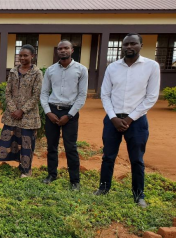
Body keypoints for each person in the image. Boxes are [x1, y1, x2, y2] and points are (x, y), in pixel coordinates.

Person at [95, 33, 160, 208]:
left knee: (137, 159)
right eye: (126, 44)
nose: (129, 47)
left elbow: (151, 96)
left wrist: (130, 118)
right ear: (122, 47)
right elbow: (105, 94)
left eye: (133, 43)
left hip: (137, 121)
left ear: (141, 45)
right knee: (108, 156)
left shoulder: (151, 66)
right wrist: (114, 117)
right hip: (112, 119)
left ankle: (139, 195)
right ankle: (104, 188)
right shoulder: (112, 68)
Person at [40, 40, 88, 190]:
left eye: (66, 48)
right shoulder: (51, 70)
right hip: (52, 111)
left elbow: (82, 95)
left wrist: (70, 115)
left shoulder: (81, 69)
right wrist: (48, 112)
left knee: (71, 147)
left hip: (70, 112)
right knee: (51, 146)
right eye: (60, 48)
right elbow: (44, 93)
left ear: (72, 50)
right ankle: (51, 174)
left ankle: (75, 180)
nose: (62, 51)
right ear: (57, 51)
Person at [0, 44, 43, 178]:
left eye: (25, 55)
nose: (22, 58)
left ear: (32, 56)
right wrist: (13, 109)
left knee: (27, 143)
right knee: (12, 139)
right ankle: (15, 163)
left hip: (29, 116)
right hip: (12, 115)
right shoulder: (13, 71)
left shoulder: (37, 73)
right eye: (20, 55)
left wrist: (22, 110)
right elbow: (7, 92)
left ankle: (26, 170)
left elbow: (36, 95)